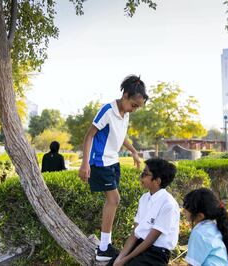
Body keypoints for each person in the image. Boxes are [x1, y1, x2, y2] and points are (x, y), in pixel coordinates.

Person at [78, 74, 148, 262]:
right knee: (114, 199)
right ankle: (103, 249)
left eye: (137, 107)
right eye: (134, 105)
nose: (134, 110)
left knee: (113, 200)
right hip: (100, 162)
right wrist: (84, 163)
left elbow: (120, 136)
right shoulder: (108, 110)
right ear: (125, 95)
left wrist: (133, 151)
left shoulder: (124, 114)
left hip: (113, 161)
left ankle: (104, 246)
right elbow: (89, 136)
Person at [109, 158, 180, 266]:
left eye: (145, 174)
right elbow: (136, 233)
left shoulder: (168, 204)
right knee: (113, 263)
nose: (141, 177)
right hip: (140, 246)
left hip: (157, 254)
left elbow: (150, 240)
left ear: (158, 180)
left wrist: (125, 260)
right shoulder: (144, 198)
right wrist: (120, 257)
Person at [183, 188, 228, 266]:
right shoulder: (215, 225)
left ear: (200, 216)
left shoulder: (199, 232)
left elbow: (192, 264)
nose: (183, 211)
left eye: (186, 208)